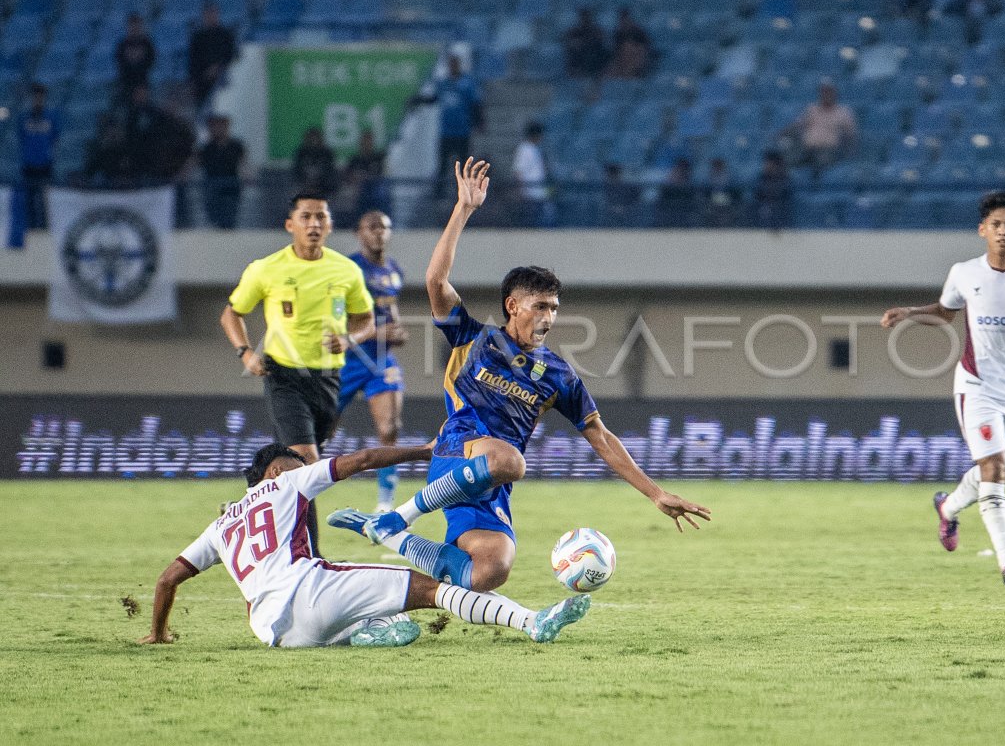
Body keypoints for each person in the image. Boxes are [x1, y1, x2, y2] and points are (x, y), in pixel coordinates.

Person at [328, 158, 711, 593]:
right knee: (512, 459)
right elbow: (436, 280)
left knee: (489, 573)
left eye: (553, 308)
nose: (548, 317)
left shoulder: (559, 376)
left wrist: (656, 493)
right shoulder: (473, 339)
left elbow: (600, 437)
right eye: (540, 306)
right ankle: (401, 515)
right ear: (513, 305)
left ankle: (387, 533)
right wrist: (464, 209)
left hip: (491, 481)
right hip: (455, 454)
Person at [138, 442, 591, 647]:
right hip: (309, 593)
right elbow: (365, 460)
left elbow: (167, 580)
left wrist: (158, 634)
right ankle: (532, 622)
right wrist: (425, 452)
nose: (304, 467)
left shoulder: (221, 524)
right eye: (296, 463)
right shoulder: (287, 483)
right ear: (275, 471)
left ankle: (366, 632)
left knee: (348, 594)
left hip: (272, 633)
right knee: (431, 586)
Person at [881, 191, 1005, 587]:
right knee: (992, 470)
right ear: (982, 230)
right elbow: (946, 311)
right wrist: (909, 313)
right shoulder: (965, 272)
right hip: (976, 386)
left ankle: (947, 507)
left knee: (996, 474)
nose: (1002, 231)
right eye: (995, 224)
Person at [218, 193, 377, 558]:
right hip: (283, 375)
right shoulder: (266, 268)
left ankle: (242, 512)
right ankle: (310, 558)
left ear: (330, 225)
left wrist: (349, 338)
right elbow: (231, 313)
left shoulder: (346, 271)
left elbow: (367, 320)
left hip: (327, 381)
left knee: (289, 471)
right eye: (306, 217)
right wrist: (245, 351)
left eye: (321, 217)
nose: (314, 224)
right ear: (290, 224)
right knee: (307, 464)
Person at [337, 210, 410, 512]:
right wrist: (375, 331)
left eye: (385, 227)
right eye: (372, 227)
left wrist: (398, 332)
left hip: (380, 360)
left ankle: (384, 505)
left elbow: (391, 315)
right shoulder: (349, 269)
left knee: (389, 428)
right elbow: (336, 318)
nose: (379, 232)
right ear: (358, 233)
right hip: (346, 359)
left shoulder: (394, 271)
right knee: (318, 435)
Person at [425, 56, 482, 198]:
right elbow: (434, 99)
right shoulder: (443, 84)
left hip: (462, 132)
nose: (453, 67)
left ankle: (465, 193)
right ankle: (439, 193)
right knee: (443, 164)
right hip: (446, 132)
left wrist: (478, 122)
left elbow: (475, 104)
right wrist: (418, 100)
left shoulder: (467, 84)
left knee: (464, 165)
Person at [779, 80, 858, 177]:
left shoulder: (843, 112)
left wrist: (848, 152)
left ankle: (816, 184)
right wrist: (781, 134)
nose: (826, 95)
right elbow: (797, 125)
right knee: (787, 159)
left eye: (829, 92)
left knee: (820, 162)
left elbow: (851, 134)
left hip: (828, 150)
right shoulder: (812, 109)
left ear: (834, 93)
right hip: (807, 148)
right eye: (824, 92)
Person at [15, 82, 59, 230]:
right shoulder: (24, 118)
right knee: (30, 205)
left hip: (45, 165)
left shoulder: (51, 118)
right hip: (29, 165)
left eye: (40, 97)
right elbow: (21, 137)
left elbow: (54, 138)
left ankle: (44, 233)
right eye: (35, 97)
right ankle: (31, 232)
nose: (38, 100)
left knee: (45, 204)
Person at [199, 114, 245, 229]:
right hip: (211, 186)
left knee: (229, 216)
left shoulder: (236, 146)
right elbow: (196, 163)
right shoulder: (206, 148)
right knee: (212, 216)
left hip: (230, 187)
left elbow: (244, 163)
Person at [187, 1, 237, 107]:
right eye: (208, 14)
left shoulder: (226, 35)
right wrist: (202, 75)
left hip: (223, 81)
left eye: (213, 13)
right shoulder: (198, 37)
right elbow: (193, 60)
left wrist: (218, 68)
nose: (211, 16)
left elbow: (231, 55)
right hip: (203, 83)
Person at [512, 121, 553, 226]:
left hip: (539, 193)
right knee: (530, 223)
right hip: (529, 193)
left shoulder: (536, 149)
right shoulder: (524, 149)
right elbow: (518, 171)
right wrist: (521, 189)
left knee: (540, 222)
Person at [343, 130, 388, 219]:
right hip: (359, 189)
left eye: (369, 141)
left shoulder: (378, 158)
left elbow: (382, 174)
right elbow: (348, 176)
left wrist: (368, 177)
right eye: (365, 141)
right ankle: (358, 220)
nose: (367, 143)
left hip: (374, 188)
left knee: (379, 191)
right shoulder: (355, 159)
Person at [114, 13, 155, 101]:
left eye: (137, 26)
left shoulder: (147, 44)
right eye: (132, 26)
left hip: (142, 83)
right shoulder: (122, 45)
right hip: (126, 83)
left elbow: (151, 61)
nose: (134, 29)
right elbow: (120, 63)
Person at [292, 126, 339, 198]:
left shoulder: (327, 153)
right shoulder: (301, 153)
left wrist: (317, 186)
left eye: (315, 138)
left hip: (323, 187)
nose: (313, 140)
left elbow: (330, 173)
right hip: (303, 186)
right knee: (294, 191)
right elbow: (296, 172)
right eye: (311, 138)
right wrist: (306, 185)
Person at [562, 7, 608, 80]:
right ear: (580, 19)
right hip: (579, 61)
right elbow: (569, 42)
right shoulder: (574, 32)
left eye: (587, 18)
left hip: (594, 62)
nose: (586, 20)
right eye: (584, 18)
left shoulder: (596, 31)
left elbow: (601, 41)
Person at [751, 150, 792, 229]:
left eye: (768, 163)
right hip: (761, 214)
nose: (765, 166)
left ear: (775, 165)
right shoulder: (761, 179)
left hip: (781, 217)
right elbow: (757, 196)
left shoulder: (785, 180)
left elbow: (784, 198)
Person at [606, 8, 651, 79]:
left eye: (625, 19)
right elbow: (615, 51)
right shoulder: (618, 34)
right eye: (621, 20)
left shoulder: (639, 32)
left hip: (638, 60)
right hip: (621, 62)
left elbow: (645, 50)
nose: (623, 22)